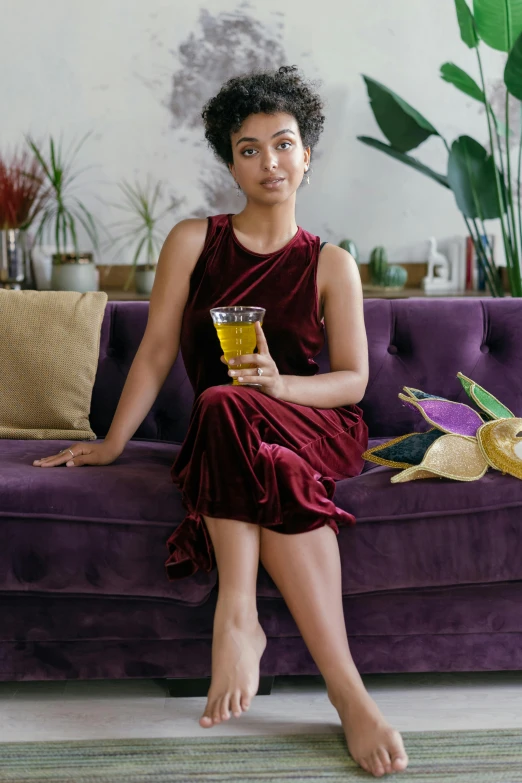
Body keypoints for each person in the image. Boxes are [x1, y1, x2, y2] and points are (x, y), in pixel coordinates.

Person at [33, 65, 409, 778]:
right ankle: (348, 692)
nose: (269, 160)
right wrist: (112, 443)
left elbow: (355, 381)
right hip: (229, 431)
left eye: (283, 143)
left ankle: (238, 614)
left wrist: (281, 383)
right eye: (249, 148)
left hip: (312, 421)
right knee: (236, 421)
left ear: (307, 155)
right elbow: (154, 353)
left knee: (231, 406)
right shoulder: (192, 241)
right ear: (230, 162)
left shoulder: (333, 263)